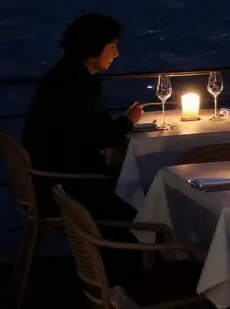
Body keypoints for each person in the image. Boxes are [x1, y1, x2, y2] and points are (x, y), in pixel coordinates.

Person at [22, 14, 144, 221]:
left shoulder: (68, 77)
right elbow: (92, 138)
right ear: (94, 46)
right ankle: (141, 248)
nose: (117, 54)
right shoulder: (75, 85)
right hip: (65, 186)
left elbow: (89, 129)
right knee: (142, 199)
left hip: (50, 177)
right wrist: (128, 121)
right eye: (113, 46)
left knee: (132, 181)